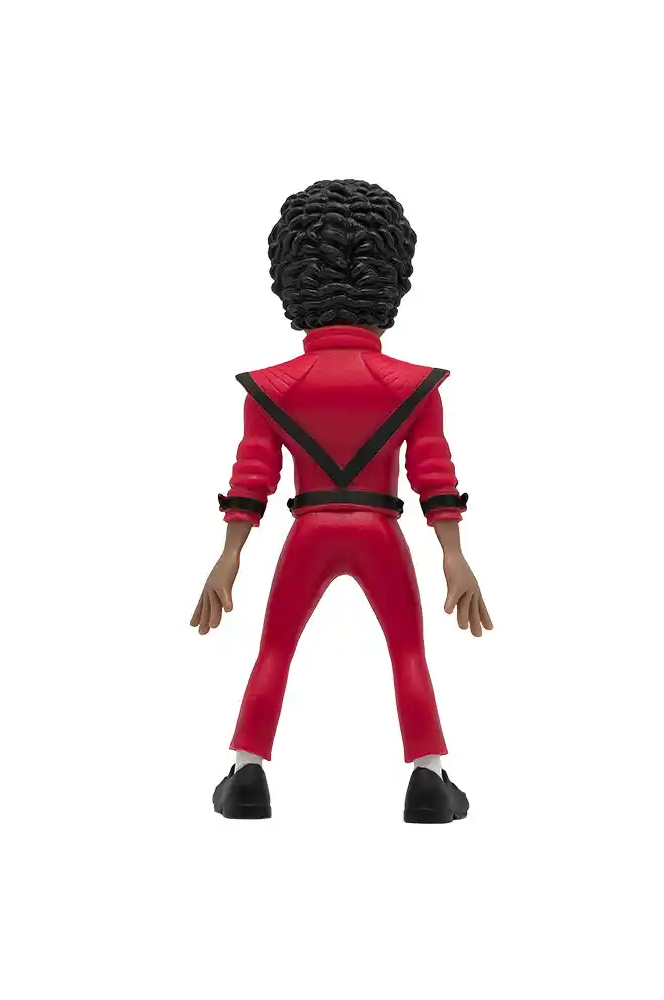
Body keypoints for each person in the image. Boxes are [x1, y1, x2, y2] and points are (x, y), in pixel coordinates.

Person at [191, 179, 491, 822]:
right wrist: (454, 555)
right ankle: (428, 778)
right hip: (381, 529)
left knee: (275, 649)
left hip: (308, 530)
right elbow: (433, 473)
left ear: (290, 281)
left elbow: (253, 476)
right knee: (407, 650)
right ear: (393, 278)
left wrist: (229, 556)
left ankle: (246, 773)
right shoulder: (415, 387)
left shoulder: (270, 388)